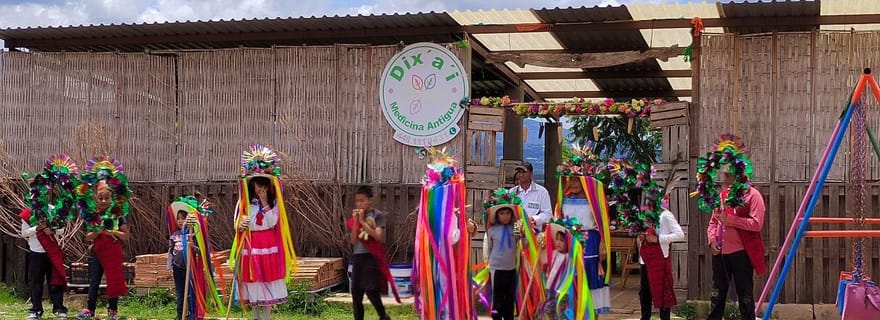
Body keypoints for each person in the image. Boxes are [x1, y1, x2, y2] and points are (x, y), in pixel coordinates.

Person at [706, 169, 766, 320]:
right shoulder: (723, 195)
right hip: (720, 252)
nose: (724, 179)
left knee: (745, 295)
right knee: (717, 294)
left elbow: (756, 224)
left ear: (737, 176)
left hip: (741, 253)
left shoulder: (753, 196)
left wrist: (731, 220)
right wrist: (712, 240)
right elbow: (713, 222)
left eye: (727, 175)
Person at [76, 182, 131, 320]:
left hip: (113, 252)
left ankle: (113, 310)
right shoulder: (93, 215)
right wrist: (98, 231)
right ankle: (90, 309)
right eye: (101, 198)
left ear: (111, 198)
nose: (104, 201)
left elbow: (126, 236)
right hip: (98, 252)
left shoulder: (117, 214)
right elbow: (88, 236)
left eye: (107, 198)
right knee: (94, 281)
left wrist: (113, 232)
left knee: (113, 280)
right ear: (96, 198)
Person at [236, 176, 288, 320]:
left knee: (266, 278)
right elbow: (237, 222)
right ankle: (255, 316)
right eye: (258, 185)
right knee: (253, 278)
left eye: (264, 186)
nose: (261, 189)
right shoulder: (244, 202)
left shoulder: (274, 202)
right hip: (251, 243)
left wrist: (265, 202)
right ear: (252, 185)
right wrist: (240, 224)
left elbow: (272, 222)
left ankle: (266, 317)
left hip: (268, 245)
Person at [560, 176, 610, 315]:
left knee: (590, 278)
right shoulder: (564, 199)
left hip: (590, 242)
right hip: (570, 242)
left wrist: (603, 244)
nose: (573, 183)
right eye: (571, 180)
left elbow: (603, 223)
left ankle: (592, 314)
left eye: (576, 180)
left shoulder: (594, 201)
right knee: (571, 278)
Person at [348, 185, 395, 320]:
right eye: (357, 201)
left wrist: (362, 221)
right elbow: (353, 241)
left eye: (362, 201)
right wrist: (356, 222)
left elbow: (377, 236)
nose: (359, 204)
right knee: (356, 292)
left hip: (371, 257)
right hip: (358, 257)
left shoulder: (377, 215)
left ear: (370, 200)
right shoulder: (356, 217)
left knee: (371, 290)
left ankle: (383, 316)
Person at [638, 206, 685, 320]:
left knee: (663, 291)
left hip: (660, 258)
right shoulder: (645, 214)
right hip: (646, 259)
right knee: (644, 292)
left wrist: (658, 239)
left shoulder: (666, 215)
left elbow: (680, 235)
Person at [21, 209, 68, 319]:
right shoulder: (28, 213)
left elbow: (62, 229)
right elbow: (24, 233)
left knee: (55, 281)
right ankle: (36, 310)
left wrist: (52, 231)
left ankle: (59, 308)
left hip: (52, 251)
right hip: (36, 251)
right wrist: (37, 228)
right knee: (35, 281)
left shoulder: (53, 210)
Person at [483, 205, 520, 320]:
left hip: (511, 269)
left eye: (508, 213)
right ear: (497, 215)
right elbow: (489, 248)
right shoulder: (491, 230)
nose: (505, 216)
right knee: (497, 299)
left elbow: (525, 245)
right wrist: (489, 264)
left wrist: (523, 235)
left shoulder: (516, 229)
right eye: (502, 213)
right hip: (496, 269)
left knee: (510, 299)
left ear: (512, 215)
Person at [510, 162, 552, 231]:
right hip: (514, 231)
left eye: (524, 172)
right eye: (519, 172)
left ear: (531, 173)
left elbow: (548, 214)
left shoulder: (542, 192)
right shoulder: (512, 192)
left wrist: (533, 219)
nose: (521, 175)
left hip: (534, 232)